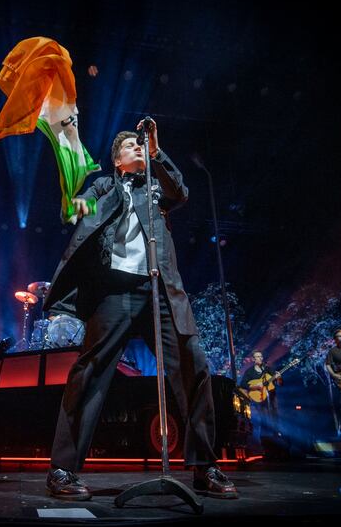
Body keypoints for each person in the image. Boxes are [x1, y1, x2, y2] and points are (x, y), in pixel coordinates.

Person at [42, 119, 237, 500]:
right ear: (117, 161)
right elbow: (74, 210)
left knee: (192, 363)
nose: (138, 149)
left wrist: (156, 150)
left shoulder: (155, 188)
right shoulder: (103, 187)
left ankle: (204, 466)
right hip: (115, 290)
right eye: (132, 146)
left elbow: (179, 191)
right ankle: (62, 469)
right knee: (91, 372)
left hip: (159, 289)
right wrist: (72, 191)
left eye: (140, 146)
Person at [239, 351, 281, 440]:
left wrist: (279, 377)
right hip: (259, 398)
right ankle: (265, 437)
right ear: (253, 359)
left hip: (271, 396)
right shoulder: (250, 372)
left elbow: (280, 383)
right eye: (258, 356)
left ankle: (276, 435)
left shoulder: (268, 369)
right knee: (264, 417)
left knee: (275, 415)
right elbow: (242, 384)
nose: (260, 358)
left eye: (261, 356)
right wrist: (255, 386)